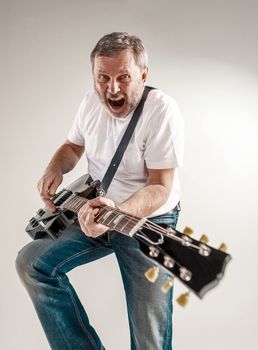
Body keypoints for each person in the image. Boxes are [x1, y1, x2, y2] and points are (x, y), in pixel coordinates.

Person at [16, 32, 184, 350]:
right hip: (96, 212)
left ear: (143, 75)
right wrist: (55, 168)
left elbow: (161, 187)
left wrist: (115, 213)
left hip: (149, 223)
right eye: (103, 77)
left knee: (150, 339)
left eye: (124, 77)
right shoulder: (91, 102)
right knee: (32, 264)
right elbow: (72, 146)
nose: (112, 88)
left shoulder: (162, 111)